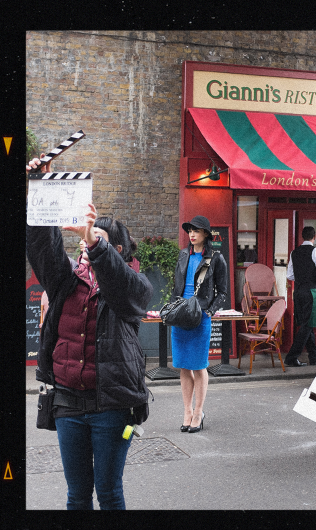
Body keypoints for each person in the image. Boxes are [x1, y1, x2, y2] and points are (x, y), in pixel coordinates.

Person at [27, 155, 153, 510]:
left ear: (116, 250)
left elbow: (124, 288)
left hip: (113, 406)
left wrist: (95, 244)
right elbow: (43, 249)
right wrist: (40, 190)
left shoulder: (132, 285)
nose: (85, 243)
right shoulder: (65, 279)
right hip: (68, 402)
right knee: (77, 495)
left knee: (109, 492)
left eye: (96, 238)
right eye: (85, 238)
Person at [170, 216, 227, 433]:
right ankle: (187, 411)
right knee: (183, 365)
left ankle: (198, 412)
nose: (192, 234)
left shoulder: (216, 258)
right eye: (190, 231)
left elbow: (222, 292)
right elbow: (177, 286)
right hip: (181, 316)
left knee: (199, 365)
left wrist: (208, 311)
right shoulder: (183, 254)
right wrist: (173, 308)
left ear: (206, 234)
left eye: (196, 231)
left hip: (200, 317)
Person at [285, 226, 316, 367]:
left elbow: (290, 275)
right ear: (314, 237)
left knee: (306, 324)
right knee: (308, 324)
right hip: (311, 292)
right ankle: (291, 357)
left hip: (298, 292)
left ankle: (313, 357)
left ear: (302, 237)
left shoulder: (294, 252)